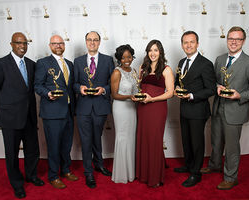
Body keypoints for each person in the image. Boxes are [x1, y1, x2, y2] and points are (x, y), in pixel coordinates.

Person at [201, 26, 249, 190]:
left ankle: (231, 177)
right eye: (231, 38)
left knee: (232, 147)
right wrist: (217, 86)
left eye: (237, 39)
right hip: (218, 107)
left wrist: (240, 96)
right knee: (216, 141)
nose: (233, 42)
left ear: (243, 41)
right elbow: (215, 81)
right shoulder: (220, 59)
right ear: (227, 40)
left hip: (235, 110)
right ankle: (215, 164)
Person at [0, 32, 44, 199]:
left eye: (25, 43)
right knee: (12, 154)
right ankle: (17, 184)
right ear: (11, 44)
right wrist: (4, 111)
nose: (22, 46)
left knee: (32, 151)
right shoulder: (0, 64)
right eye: (18, 43)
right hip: (10, 119)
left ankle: (31, 176)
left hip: (29, 117)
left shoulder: (31, 64)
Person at [173, 31, 216, 187]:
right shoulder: (181, 62)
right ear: (182, 44)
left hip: (198, 109)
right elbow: (179, 82)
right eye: (185, 42)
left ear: (198, 44)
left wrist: (191, 95)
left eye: (192, 42)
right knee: (186, 140)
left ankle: (196, 173)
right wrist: (177, 88)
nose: (188, 45)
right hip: (184, 108)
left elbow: (210, 89)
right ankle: (189, 164)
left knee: (197, 142)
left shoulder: (205, 64)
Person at [35, 35, 78, 189]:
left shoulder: (70, 64)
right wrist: (48, 94)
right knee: (53, 146)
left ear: (64, 45)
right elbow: (38, 85)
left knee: (66, 144)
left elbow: (71, 87)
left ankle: (66, 170)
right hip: (52, 112)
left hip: (68, 111)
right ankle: (53, 175)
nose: (58, 45)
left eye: (60, 43)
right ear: (50, 45)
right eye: (55, 43)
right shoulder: (43, 63)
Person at [74, 31, 115, 188]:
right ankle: (88, 172)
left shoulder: (107, 60)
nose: (92, 42)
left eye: (95, 40)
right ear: (86, 42)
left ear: (99, 42)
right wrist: (80, 88)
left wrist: (103, 89)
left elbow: (113, 83)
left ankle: (99, 165)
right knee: (86, 140)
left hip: (100, 106)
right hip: (83, 107)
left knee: (97, 137)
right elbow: (74, 84)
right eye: (89, 40)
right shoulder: (77, 61)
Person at [136, 39, 174, 187]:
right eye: (150, 50)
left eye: (156, 50)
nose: (153, 53)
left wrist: (152, 99)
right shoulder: (142, 68)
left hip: (157, 109)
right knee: (143, 139)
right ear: (147, 52)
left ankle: (154, 177)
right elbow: (139, 88)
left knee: (154, 140)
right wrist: (136, 96)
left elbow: (170, 93)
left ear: (161, 52)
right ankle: (143, 173)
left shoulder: (166, 69)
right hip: (142, 108)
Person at [111, 44, 138, 183]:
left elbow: (136, 90)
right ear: (119, 59)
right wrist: (129, 97)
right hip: (121, 108)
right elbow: (114, 95)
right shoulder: (117, 72)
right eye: (123, 57)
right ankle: (122, 174)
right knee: (122, 138)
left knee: (131, 138)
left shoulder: (133, 70)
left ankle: (131, 171)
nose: (127, 59)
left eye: (129, 56)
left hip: (132, 108)